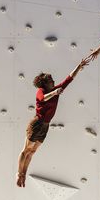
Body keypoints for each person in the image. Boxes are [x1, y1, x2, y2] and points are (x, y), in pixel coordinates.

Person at [17, 58, 88, 187]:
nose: (54, 81)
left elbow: (69, 79)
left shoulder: (56, 89)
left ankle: (24, 175)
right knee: (26, 150)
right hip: (37, 123)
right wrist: (55, 92)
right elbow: (43, 99)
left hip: (45, 125)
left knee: (33, 152)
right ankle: (18, 173)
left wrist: (79, 66)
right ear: (44, 83)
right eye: (51, 80)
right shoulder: (41, 91)